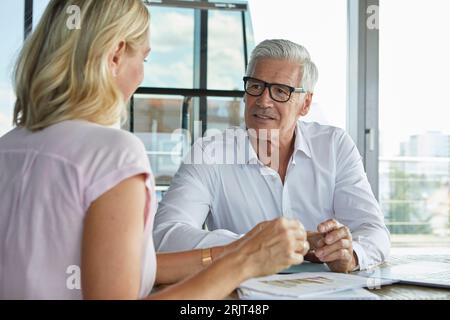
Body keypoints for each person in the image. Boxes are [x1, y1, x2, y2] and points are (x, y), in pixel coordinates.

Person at [0, 0, 310, 300]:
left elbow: (128, 267)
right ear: (116, 55)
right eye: (144, 59)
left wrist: (243, 250)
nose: (142, 75)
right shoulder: (113, 154)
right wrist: (242, 263)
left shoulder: (9, 145)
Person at [153, 39, 391, 273]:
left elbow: (373, 230)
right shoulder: (210, 153)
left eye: (280, 91)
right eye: (256, 86)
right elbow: (165, 234)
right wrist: (256, 246)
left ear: (305, 104)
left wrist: (350, 255)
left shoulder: (334, 146)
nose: (263, 101)